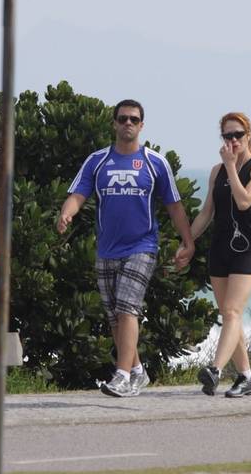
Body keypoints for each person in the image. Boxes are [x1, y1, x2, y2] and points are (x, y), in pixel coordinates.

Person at [57, 99, 195, 397]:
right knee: (115, 318)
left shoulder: (155, 162)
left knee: (127, 308)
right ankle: (137, 371)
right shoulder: (97, 161)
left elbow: (174, 205)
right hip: (107, 249)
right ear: (114, 123)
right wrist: (67, 212)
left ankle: (120, 375)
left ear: (142, 125)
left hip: (142, 246)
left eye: (134, 119)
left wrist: (188, 241)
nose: (128, 124)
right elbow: (78, 194)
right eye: (123, 119)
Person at [189, 112, 251, 397]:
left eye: (238, 135)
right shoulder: (216, 171)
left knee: (233, 311)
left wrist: (232, 166)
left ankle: (215, 369)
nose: (233, 140)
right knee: (228, 314)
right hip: (220, 250)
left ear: (248, 135)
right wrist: (187, 242)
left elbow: (245, 200)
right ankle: (246, 376)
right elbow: (206, 212)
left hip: (247, 250)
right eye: (227, 136)